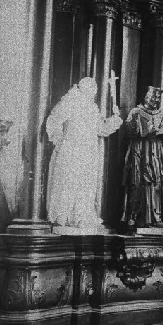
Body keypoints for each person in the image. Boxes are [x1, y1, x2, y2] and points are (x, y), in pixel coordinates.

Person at [45, 76, 123, 231]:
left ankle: (80, 216)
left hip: (88, 151)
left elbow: (100, 129)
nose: (93, 93)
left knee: (85, 183)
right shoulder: (69, 101)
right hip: (71, 148)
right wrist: (59, 140)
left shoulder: (92, 107)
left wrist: (115, 120)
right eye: (91, 89)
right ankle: (62, 215)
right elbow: (54, 120)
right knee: (67, 181)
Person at [122, 86, 163, 229]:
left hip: (155, 150)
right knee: (137, 180)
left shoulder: (161, 114)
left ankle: (157, 215)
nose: (155, 100)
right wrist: (143, 129)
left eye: (157, 98)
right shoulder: (136, 111)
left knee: (156, 181)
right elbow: (129, 130)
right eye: (152, 97)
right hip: (140, 149)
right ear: (146, 97)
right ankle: (134, 215)